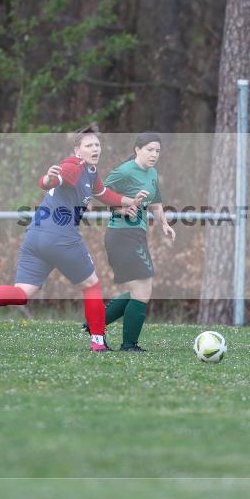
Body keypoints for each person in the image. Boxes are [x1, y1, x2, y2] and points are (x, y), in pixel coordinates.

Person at [0, 131, 147, 351]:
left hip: (35, 236)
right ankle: (98, 342)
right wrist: (48, 179)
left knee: (22, 293)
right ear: (77, 150)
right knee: (91, 285)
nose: (95, 149)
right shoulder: (74, 166)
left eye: (97, 144)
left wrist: (127, 202)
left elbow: (103, 193)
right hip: (60, 238)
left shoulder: (90, 171)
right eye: (89, 145)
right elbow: (54, 180)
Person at [97, 132, 175, 351]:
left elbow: (156, 202)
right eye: (149, 149)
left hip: (137, 236)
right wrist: (122, 209)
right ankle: (129, 344)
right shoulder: (124, 171)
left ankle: (96, 323)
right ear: (137, 149)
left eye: (157, 151)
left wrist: (164, 224)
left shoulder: (152, 173)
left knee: (139, 290)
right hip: (121, 235)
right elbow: (100, 193)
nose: (154, 154)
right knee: (142, 289)